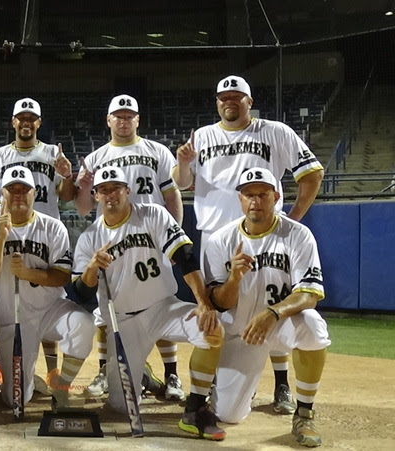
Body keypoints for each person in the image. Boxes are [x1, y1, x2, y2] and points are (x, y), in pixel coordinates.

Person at [173, 75, 325, 414]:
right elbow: (182, 183)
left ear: (249, 101)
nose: (230, 101)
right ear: (216, 102)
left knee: (275, 303)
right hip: (218, 237)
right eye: (223, 96)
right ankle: (220, 384)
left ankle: (282, 384)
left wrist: (294, 218)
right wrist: (183, 163)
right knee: (224, 315)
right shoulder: (203, 136)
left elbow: (312, 173)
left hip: (268, 231)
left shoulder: (274, 131)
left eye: (237, 96)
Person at [73, 166, 226, 441]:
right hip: (124, 321)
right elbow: (82, 292)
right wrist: (92, 267)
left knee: (211, 329)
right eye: (104, 190)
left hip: (163, 307)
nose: (111, 195)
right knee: (120, 406)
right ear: (95, 195)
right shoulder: (89, 239)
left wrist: (203, 302)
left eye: (116, 188)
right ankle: (141, 376)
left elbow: (185, 255)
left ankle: (195, 407)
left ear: (127, 190)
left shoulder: (152, 214)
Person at [204, 167, 330, 447]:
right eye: (249, 194)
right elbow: (219, 302)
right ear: (240, 199)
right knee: (228, 415)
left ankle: (305, 413)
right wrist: (234, 279)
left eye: (262, 194)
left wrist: (273, 313)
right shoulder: (220, 241)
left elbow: (310, 294)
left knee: (312, 324)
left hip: (280, 325)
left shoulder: (298, 235)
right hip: (241, 332)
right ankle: (237, 388)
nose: (255, 201)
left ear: (275, 197)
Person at [74, 94, 184, 401]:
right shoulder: (95, 157)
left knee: (160, 301)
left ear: (138, 120)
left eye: (129, 116)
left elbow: (172, 196)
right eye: (118, 116)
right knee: (106, 310)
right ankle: (104, 370)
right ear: (108, 121)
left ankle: (172, 373)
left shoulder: (157, 151)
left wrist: (172, 239)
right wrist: (82, 185)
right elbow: (83, 208)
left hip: (152, 236)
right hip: (113, 243)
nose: (123, 121)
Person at [0, 166, 94, 409]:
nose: (18, 194)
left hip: (51, 310)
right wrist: (0, 238)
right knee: (15, 399)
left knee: (84, 324)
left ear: (34, 193)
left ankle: (62, 386)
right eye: (12, 189)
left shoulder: (53, 227)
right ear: (2, 195)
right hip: (11, 318)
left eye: (24, 190)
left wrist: (29, 273)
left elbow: (62, 276)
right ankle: (30, 383)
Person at [0, 98, 76, 396]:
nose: (26, 122)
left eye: (31, 118)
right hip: (9, 230)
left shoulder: (51, 154)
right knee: (5, 304)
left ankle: (51, 371)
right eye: (21, 117)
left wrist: (67, 174)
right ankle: (2, 366)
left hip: (45, 233)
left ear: (38, 122)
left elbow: (68, 195)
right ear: (13, 122)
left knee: (47, 299)